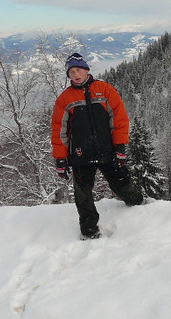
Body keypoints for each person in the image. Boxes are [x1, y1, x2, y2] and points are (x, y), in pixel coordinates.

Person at [51, 53, 143, 239]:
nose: (76, 75)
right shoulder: (65, 99)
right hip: (80, 155)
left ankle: (140, 207)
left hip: (107, 151)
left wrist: (120, 147)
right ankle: (89, 230)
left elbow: (119, 119)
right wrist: (60, 158)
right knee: (83, 195)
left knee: (122, 184)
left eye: (79, 70)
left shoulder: (105, 90)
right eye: (72, 72)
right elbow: (59, 131)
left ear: (86, 70)